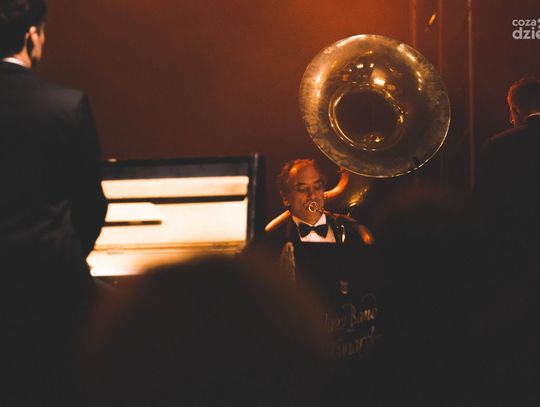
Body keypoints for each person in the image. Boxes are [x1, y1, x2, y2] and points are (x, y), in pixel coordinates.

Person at [0, 1, 107, 402]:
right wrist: (66, 254)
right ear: (32, 34)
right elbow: (91, 205)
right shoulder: (66, 106)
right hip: (51, 289)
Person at [264, 158, 374, 247]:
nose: (312, 196)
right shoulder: (273, 240)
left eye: (317, 187)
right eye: (302, 189)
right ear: (286, 198)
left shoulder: (352, 231)